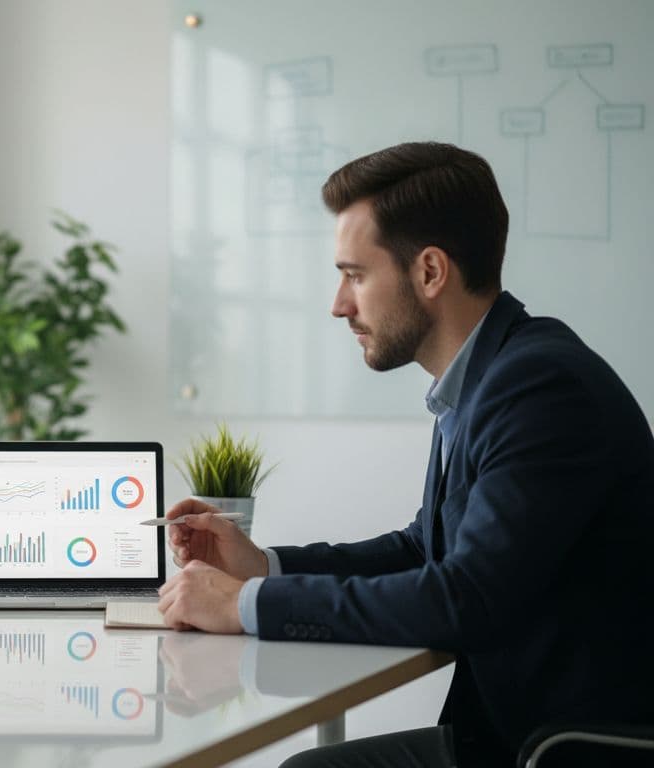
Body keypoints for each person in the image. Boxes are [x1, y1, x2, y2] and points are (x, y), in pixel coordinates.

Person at [155, 142, 654, 766]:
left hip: (563, 750)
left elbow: (465, 598)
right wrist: (262, 568)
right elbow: (426, 548)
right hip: (508, 735)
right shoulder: (489, 377)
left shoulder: (540, 389)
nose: (340, 304)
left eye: (355, 275)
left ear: (430, 272)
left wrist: (242, 605)